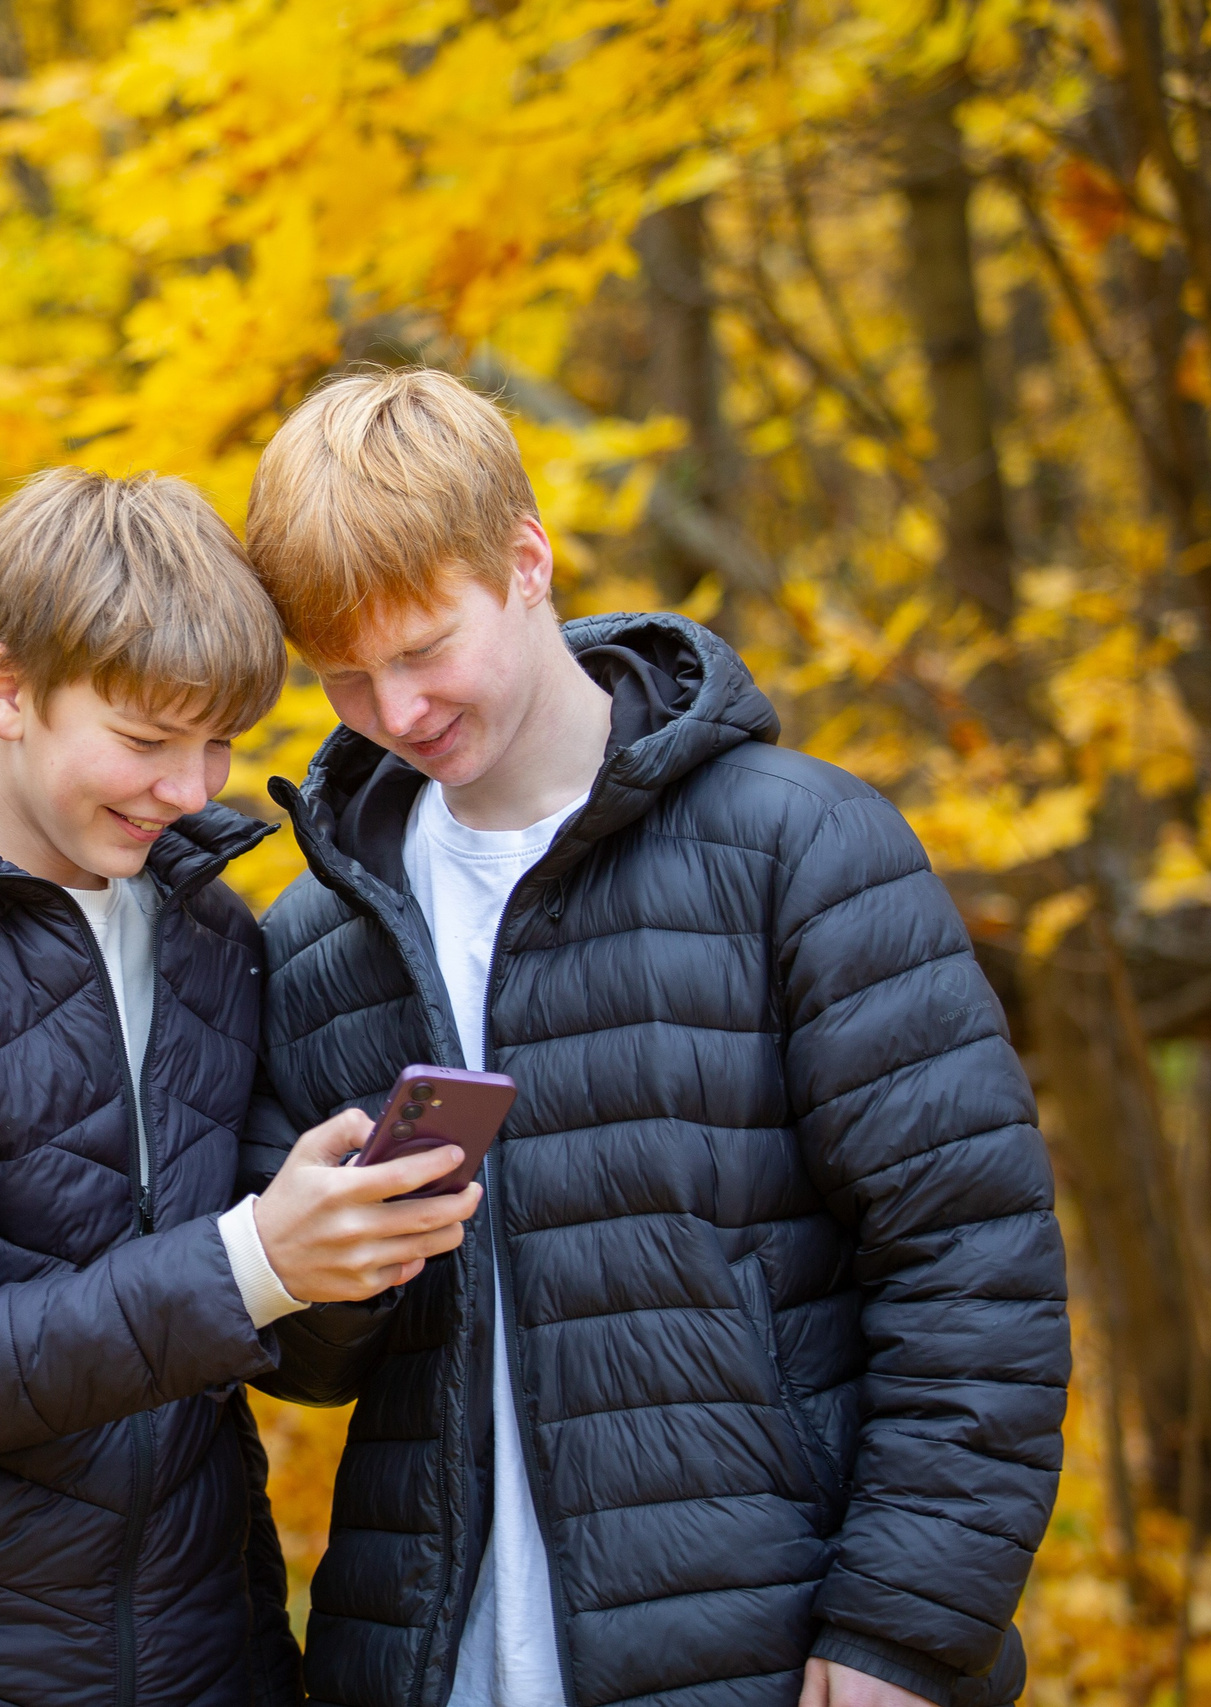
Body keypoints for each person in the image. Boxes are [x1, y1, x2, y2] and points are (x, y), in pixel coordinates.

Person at [235, 369, 1071, 1707]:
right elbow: (322, 1374)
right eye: (344, 674)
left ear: (526, 562)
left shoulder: (800, 848)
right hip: (420, 1660)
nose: (394, 712)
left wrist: (904, 1630)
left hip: (769, 1652)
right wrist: (311, 1265)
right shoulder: (316, 936)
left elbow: (974, 1270)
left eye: (422, 648)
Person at [0, 467, 480, 1707]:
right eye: (143, 739)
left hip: (194, 1648)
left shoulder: (212, 939)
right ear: (4, 687)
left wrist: (348, 1252)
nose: (191, 790)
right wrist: (253, 1260)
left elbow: (282, 1359)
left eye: (218, 742)